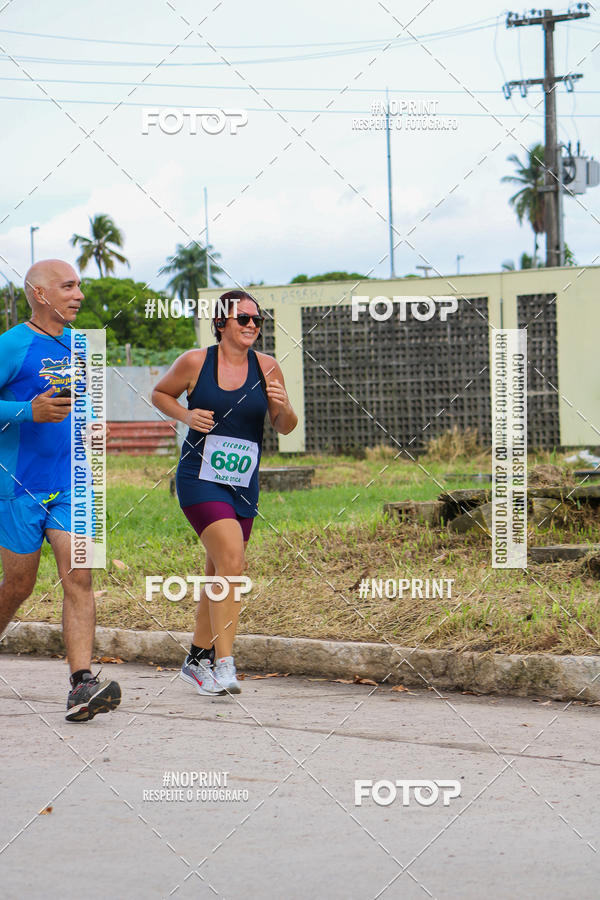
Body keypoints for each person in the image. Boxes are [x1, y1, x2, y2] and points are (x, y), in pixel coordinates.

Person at [152, 289, 297, 695]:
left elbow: (285, 426)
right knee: (233, 560)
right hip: (200, 477)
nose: (252, 325)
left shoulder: (267, 367)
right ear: (220, 323)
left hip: (243, 482)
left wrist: (284, 406)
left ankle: (197, 659)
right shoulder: (196, 362)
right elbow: (160, 393)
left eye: (257, 320)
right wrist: (186, 415)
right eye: (243, 318)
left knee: (219, 571)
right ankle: (224, 663)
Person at [0, 259, 121, 722]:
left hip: (75, 485)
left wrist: (96, 429)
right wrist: (25, 412)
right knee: (19, 585)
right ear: (41, 294)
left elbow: (86, 404)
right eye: (68, 286)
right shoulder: (12, 345)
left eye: (79, 286)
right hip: (18, 488)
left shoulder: (85, 345)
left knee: (80, 577)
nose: (79, 295)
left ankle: (82, 684)